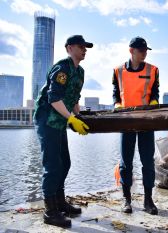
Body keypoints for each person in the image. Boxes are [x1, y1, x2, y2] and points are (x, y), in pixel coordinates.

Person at [33, 35, 93, 228]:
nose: (84, 50)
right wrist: (72, 119)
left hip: (59, 121)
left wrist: (79, 116)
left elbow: (74, 97)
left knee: (64, 162)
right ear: (69, 48)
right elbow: (53, 98)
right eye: (80, 46)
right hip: (46, 119)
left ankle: (60, 203)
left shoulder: (80, 72)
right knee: (52, 165)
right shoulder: (62, 68)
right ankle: (50, 212)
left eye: (86, 47)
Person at [112, 36, 159, 215]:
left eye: (146, 50)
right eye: (142, 50)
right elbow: (116, 94)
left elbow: (155, 93)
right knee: (126, 163)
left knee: (148, 162)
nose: (145, 53)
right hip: (126, 121)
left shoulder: (153, 70)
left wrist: (154, 104)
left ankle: (148, 200)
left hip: (146, 121)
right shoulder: (117, 71)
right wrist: (118, 107)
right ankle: (127, 199)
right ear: (131, 51)